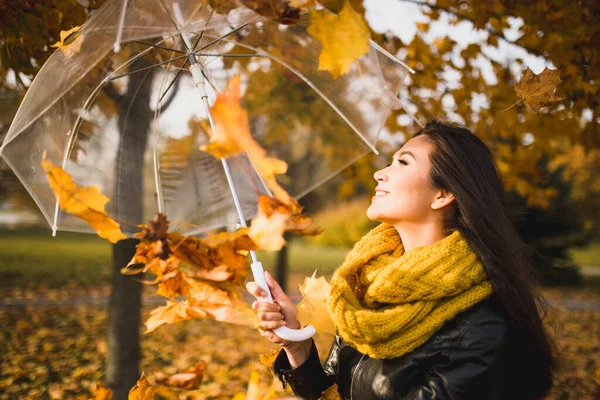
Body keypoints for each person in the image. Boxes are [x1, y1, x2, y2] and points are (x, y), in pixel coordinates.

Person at [246, 120, 557, 400]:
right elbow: (333, 393)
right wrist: (296, 344)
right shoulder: (368, 285)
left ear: (443, 194)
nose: (379, 173)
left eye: (402, 162)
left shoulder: (478, 328)